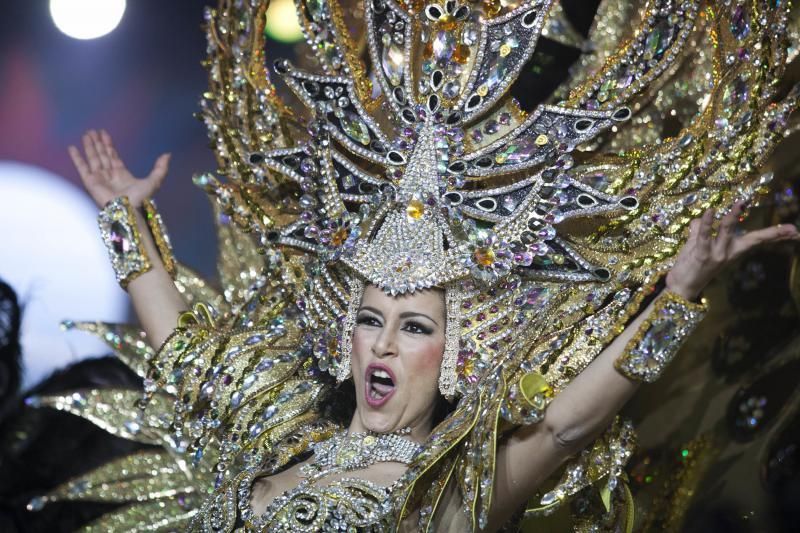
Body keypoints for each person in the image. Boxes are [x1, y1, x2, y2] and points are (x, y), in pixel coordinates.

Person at [36, 1, 799, 531]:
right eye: (370, 319)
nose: (385, 343)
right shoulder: (268, 446)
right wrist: (123, 219)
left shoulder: (444, 496)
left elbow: (566, 428)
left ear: (456, 353)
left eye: (413, 325)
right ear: (346, 338)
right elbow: (191, 363)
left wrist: (677, 297)